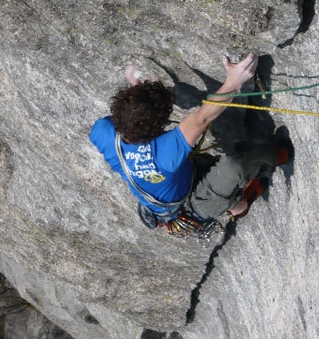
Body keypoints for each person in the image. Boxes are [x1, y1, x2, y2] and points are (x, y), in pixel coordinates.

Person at [89, 53, 292, 232]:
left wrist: (138, 95)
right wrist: (234, 81)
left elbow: (130, 118)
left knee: (216, 178)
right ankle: (246, 198)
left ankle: (230, 200)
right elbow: (202, 118)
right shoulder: (164, 153)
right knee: (233, 168)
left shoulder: (102, 131)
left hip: (175, 184)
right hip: (192, 203)